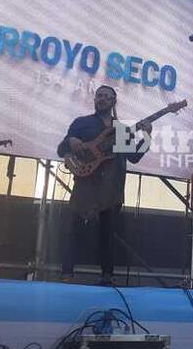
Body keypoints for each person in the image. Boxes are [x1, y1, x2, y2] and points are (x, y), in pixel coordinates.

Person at [57, 85, 151, 286]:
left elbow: (134, 157)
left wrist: (147, 136)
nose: (102, 99)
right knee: (74, 231)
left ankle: (106, 276)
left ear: (113, 102)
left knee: (108, 234)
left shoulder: (122, 131)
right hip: (85, 186)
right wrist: (72, 141)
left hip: (111, 189)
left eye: (106, 96)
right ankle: (67, 273)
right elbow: (62, 149)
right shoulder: (82, 124)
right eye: (99, 95)